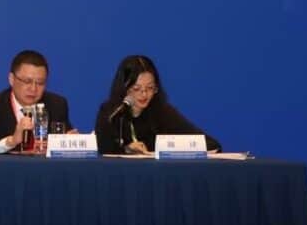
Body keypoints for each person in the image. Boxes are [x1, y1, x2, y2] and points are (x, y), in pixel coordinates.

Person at [93, 54, 221, 155]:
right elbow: (103, 148)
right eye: (137, 89)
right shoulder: (111, 113)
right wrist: (126, 149)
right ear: (123, 88)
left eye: (150, 88)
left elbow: (208, 143)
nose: (144, 95)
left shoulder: (163, 112)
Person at [0, 49, 74, 154]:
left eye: (40, 83)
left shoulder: (57, 105)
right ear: (11, 79)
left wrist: (69, 141)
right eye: (27, 81)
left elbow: (65, 140)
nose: (33, 89)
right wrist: (12, 141)